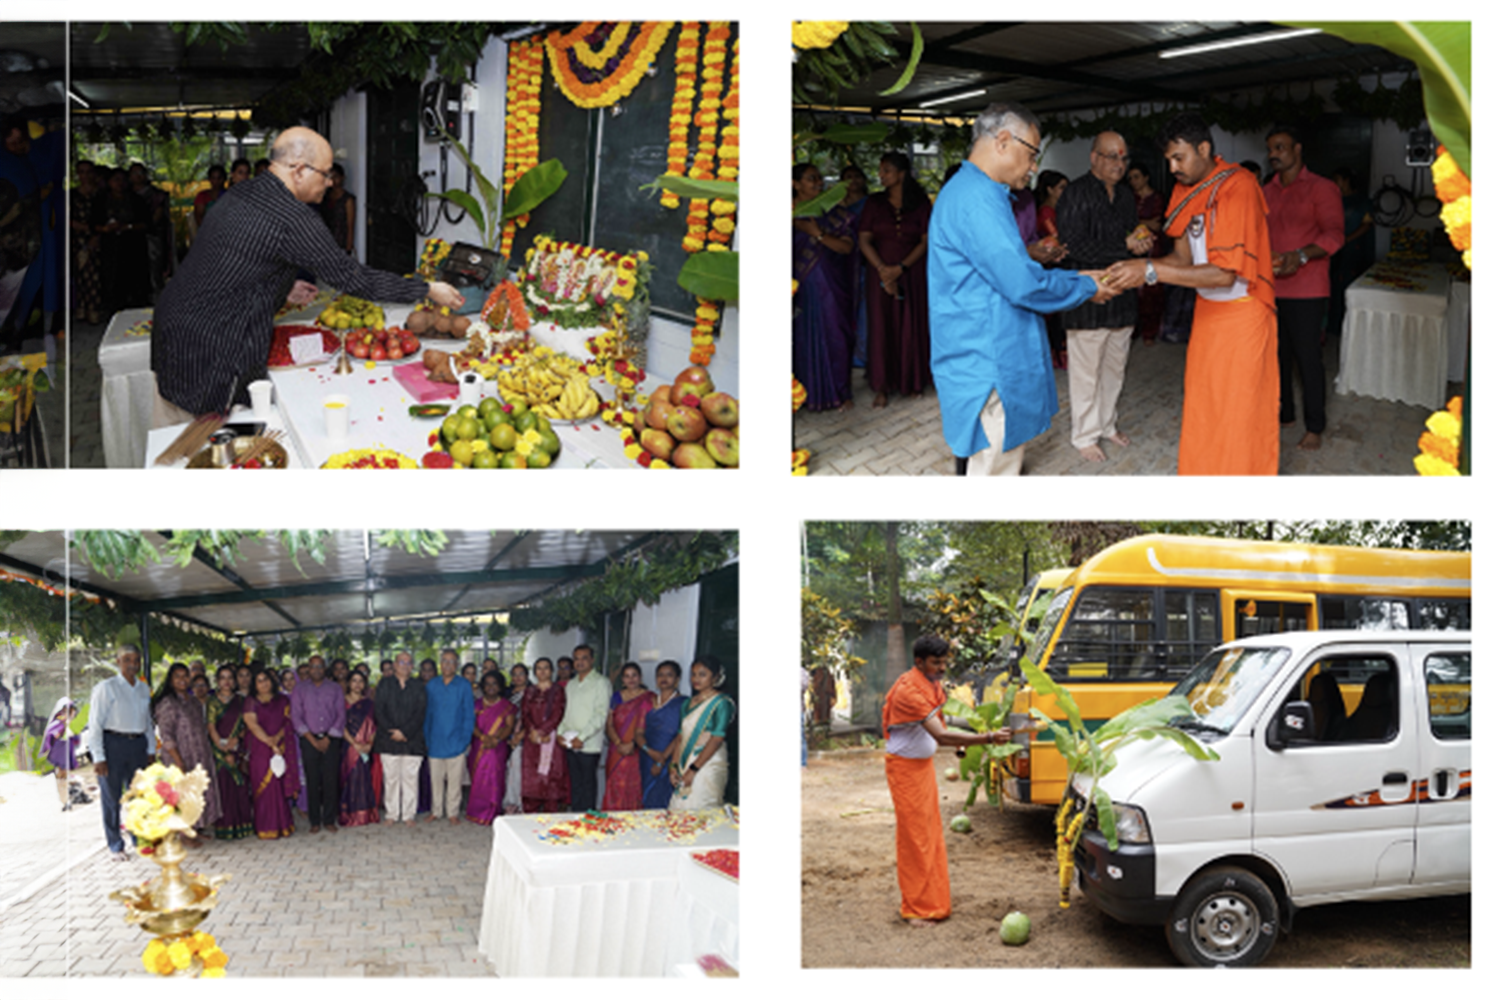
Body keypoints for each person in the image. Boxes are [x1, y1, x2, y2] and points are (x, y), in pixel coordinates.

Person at [150, 127, 463, 425]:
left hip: (173, 325)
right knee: (201, 450)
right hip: (208, 347)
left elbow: (232, 256)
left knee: (174, 437)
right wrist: (426, 288)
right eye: (325, 173)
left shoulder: (245, 190)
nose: (329, 182)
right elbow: (354, 278)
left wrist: (279, 287)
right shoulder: (294, 216)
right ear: (298, 170)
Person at [927, 102, 1114, 475]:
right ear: (1001, 141)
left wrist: (1078, 280)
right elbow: (1021, 284)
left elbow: (1010, 270)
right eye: (1031, 154)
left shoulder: (975, 191)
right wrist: (1085, 285)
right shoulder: (976, 200)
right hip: (987, 361)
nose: (1033, 167)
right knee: (995, 469)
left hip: (984, 349)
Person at [1105, 112, 1279, 475]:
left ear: (1204, 148)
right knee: (1205, 403)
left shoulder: (1239, 186)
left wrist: (1150, 270)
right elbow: (1182, 259)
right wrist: (1139, 270)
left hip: (1243, 313)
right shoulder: (1185, 191)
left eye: (1179, 157)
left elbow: (1224, 274)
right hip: (1208, 311)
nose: (1172, 168)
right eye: (1168, 160)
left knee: (1240, 408)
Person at [882, 634, 1011, 925]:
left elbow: (938, 725)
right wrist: (988, 737)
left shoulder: (929, 685)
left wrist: (962, 745)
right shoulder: (908, 691)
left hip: (922, 768)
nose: (942, 668)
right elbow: (940, 735)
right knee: (915, 840)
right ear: (919, 662)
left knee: (930, 837)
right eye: (936, 663)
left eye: (944, 662)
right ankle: (915, 909)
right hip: (905, 772)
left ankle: (933, 903)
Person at [1055, 131, 1153, 462]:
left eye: (1123, 158)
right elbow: (1073, 246)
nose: (1119, 164)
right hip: (1088, 296)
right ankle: (1084, 434)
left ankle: (1107, 424)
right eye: (1112, 156)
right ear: (1094, 157)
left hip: (1122, 295)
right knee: (1086, 372)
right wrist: (1123, 246)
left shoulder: (1125, 196)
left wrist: (1139, 240)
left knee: (1115, 369)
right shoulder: (1075, 194)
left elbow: (1128, 234)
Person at [1263, 125, 1344, 452]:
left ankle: (1315, 426)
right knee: (1276, 356)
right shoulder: (1265, 191)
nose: (1274, 155)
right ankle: (1285, 414)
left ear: (1298, 149)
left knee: (1308, 358)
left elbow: (1334, 235)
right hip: (1270, 288)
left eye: (1280, 147)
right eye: (1270, 149)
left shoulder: (1322, 188)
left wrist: (1299, 255)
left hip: (1308, 289)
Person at [858, 152, 933, 408]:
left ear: (901, 173)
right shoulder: (874, 203)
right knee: (881, 326)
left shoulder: (921, 203)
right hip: (878, 273)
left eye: (886, 170)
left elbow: (926, 241)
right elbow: (864, 239)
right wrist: (883, 269)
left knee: (912, 323)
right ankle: (882, 385)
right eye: (881, 170)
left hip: (912, 273)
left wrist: (900, 268)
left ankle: (912, 380)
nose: (881, 175)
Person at [793, 163, 858, 411]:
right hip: (799, 292)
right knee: (801, 341)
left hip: (832, 290)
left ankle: (841, 393)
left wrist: (817, 233)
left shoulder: (834, 214)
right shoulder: (787, 215)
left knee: (836, 336)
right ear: (795, 184)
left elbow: (846, 247)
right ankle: (803, 397)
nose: (819, 183)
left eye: (819, 178)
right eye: (811, 179)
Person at [84, 644, 156, 860]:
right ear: (118, 662)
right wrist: (99, 757)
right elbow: (94, 724)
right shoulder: (107, 688)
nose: (133, 664)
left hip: (137, 746)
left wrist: (151, 750)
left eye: (136, 660)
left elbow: (148, 723)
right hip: (112, 745)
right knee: (111, 797)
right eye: (127, 660)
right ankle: (116, 845)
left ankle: (139, 840)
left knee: (138, 796)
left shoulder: (144, 689)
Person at [152, 662, 223, 842]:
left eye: (185, 676)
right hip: (180, 756)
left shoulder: (193, 702)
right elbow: (166, 735)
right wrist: (179, 761)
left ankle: (196, 830)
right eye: (178, 677)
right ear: (171, 680)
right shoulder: (168, 703)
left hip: (199, 754)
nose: (183, 680)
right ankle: (184, 835)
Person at [669, 655, 735, 812]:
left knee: (703, 809)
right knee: (679, 810)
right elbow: (680, 737)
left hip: (708, 764)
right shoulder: (687, 703)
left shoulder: (722, 703)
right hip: (685, 763)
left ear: (716, 677)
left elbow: (717, 739)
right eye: (693, 674)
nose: (696, 679)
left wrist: (693, 770)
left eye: (702, 674)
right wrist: (673, 767)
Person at [241, 666, 300, 839]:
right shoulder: (251, 701)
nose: (263, 683)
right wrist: (269, 741)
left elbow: (288, 723)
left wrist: (276, 740)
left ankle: (284, 825)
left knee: (279, 787)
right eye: (259, 681)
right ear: (255, 684)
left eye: (266, 679)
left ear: (272, 681)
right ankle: (266, 827)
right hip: (259, 749)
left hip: (281, 747)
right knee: (264, 788)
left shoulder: (282, 700)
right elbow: (252, 724)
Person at [290, 655, 346, 834]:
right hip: (308, 740)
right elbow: (296, 716)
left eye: (320, 666)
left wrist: (328, 738)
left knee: (330, 781)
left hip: (331, 739)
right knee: (312, 781)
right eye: (313, 666)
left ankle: (329, 819)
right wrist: (313, 740)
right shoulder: (299, 689)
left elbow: (341, 715)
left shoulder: (335, 688)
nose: (316, 670)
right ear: (308, 668)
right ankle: (315, 821)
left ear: (325, 668)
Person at [374, 651, 427, 824]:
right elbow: (379, 711)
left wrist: (405, 733)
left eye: (408, 663)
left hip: (412, 740)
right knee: (391, 779)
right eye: (401, 662)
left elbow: (421, 712)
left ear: (412, 667)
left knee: (410, 779)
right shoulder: (384, 684)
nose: (405, 665)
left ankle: (408, 814)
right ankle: (391, 814)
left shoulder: (418, 686)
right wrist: (393, 732)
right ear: (395, 665)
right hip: (389, 739)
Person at [425, 648, 476, 824]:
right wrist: (427, 738)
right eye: (444, 661)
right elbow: (427, 714)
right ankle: (436, 811)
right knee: (436, 781)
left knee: (455, 782)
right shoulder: (432, 685)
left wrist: (465, 740)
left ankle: (452, 812)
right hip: (435, 741)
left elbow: (469, 714)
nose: (447, 664)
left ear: (456, 665)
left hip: (456, 741)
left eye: (451, 661)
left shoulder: (463, 685)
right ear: (440, 664)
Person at [92, 167, 152, 314]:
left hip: (133, 245)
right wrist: (106, 229)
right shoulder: (101, 200)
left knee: (136, 280)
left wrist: (128, 227)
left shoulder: (136, 199)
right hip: (111, 247)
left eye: (122, 180)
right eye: (116, 180)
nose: (120, 183)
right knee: (112, 280)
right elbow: (92, 223)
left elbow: (146, 223)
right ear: (109, 182)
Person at [559, 644, 609, 812]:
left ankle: (588, 820)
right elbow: (566, 712)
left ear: (592, 660)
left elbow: (601, 714)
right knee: (575, 783)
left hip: (589, 743)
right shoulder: (571, 685)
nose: (580, 662)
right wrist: (560, 734)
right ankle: (575, 819)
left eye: (584, 658)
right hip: (569, 742)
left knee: (588, 784)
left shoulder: (601, 683)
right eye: (576, 658)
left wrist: (582, 737)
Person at [206, 665, 254, 841]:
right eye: (223, 677)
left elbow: (245, 725)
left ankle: (242, 826)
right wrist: (221, 746)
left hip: (237, 748)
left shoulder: (241, 701)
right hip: (218, 750)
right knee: (224, 787)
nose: (226, 681)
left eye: (230, 678)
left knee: (240, 787)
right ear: (217, 681)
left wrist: (236, 740)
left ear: (234, 681)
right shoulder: (213, 701)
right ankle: (225, 827)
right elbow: (210, 726)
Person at [1328, 166, 1376, 338]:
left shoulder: (1362, 201)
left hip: (1354, 251)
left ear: (1346, 180)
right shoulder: (1332, 200)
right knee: (1334, 289)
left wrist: (1346, 240)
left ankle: (1351, 329)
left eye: (1337, 179)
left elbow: (1366, 224)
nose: (1334, 183)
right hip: (1334, 251)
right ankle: (1333, 327)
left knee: (1350, 287)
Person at [466, 670, 517, 824]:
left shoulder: (507, 707)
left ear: (501, 686)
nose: (491, 687)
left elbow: (509, 726)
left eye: (494, 683)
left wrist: (497, 739)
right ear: (482, 687)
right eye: (487, 684)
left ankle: (493, 812)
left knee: (495, 778)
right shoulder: (476, 705)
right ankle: (476, 811)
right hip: (479, 746)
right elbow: (471, 724)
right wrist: (482, 737)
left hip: (497, 747)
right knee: (478, 779)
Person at [520, 658, 569, 812]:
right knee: (531, 777)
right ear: (534, 672)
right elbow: (525, 713)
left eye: (546, 668)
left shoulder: (558, 691)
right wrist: (533, 732)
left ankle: (550, 817)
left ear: (552, 671)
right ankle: (530, 815)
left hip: (550, 739)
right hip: (532, 739)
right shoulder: (529, 691)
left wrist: (542, 732)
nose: (542, 671)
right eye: (539, 668)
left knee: (551, 778)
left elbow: (557, 714)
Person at [1126, 163, 1168, 344]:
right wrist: (1144, 222)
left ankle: (1150, 330)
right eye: (1130, 178)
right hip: (1132, 248)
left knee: (1152, 287)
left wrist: (1137, 222)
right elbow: (1126, 223)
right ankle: (1134, 328)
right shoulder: (1128, 198)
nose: (1133, 181)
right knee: (1132, 288)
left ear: (1146, 177)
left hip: (1153, 248)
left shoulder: (1158, 198)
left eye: (1136, 176)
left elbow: (1157, 225)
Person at [602, 662, 652, 811]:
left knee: (633, 787)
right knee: (614, 785)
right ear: (622, 680)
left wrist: (632, 744)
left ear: (640, 677)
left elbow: (651, 726)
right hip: (616, 750)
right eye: (626, 676)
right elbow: (609, 724)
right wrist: (619, 743)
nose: (631, 679)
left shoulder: (649, 698)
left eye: (634, 675)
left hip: (637, 751)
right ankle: (612, 820)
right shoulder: (616, 697)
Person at [339, 671, 383, 828]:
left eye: (360, 681)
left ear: (364, 684)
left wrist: (369, 743)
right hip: (348, 746)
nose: (357, 684)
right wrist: (354, 743)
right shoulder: (341, 703)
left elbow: (374, 725)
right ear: (349, 683)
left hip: (365, 747)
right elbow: (340, 725)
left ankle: (365, 814)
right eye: (354, 680)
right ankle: (348, 814)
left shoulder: (369, 704)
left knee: (363, 778)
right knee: (348, 778)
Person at [639, 660, 683, 809]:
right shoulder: (648, 702)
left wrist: (662, 759)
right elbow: (638, 732)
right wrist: (650, 752)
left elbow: (681, 734)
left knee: (664, 799)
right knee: (647, 798)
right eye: (660, 675)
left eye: (669, 675)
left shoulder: (684, 703)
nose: (664, 678)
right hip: (647, 756)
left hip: (671, 757)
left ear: (677, 679)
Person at [839, 165, 871, 368]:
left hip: (865, 261)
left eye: (857, 176)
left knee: (864, 310)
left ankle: (862, 356)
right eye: (848, 177)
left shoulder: (871, 204)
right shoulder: (835, 207)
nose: (853, 180)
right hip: (841, 262)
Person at [70, 159, 104, 324]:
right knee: (80, 274)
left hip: (98, 239)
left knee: (95, 275)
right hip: (77, 239)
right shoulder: (72, 195)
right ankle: (81, 309)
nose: (85, 175)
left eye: (88, 171)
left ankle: (94, 310)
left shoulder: (101, 194)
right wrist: (84, 228)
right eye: (81, 171)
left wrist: (95, 233)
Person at [39, 698, 81, 811]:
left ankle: (66, 800)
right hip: (60, 756)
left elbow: (74, 739)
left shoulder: (65, 724)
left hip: (63, 756)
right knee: (61, 776)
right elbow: (51, 736)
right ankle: (64, 801)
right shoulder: (59, 724)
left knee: (63, 776)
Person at [322, 163, 357, 255]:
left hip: (340, 244)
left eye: (336, 177)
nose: (333, 180)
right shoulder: (325, 196)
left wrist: (348, 249)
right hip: (325, 243)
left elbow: (350, 226)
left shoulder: (347, 199)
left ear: (342, 177)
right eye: (330, 177)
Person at [192, 164, 227, 230]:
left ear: (224, 178)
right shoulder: (202, 196)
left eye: (219, 178)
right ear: (209, 179)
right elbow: (199, 218)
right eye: (213, 178)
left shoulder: (229, 195)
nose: (216, 181)